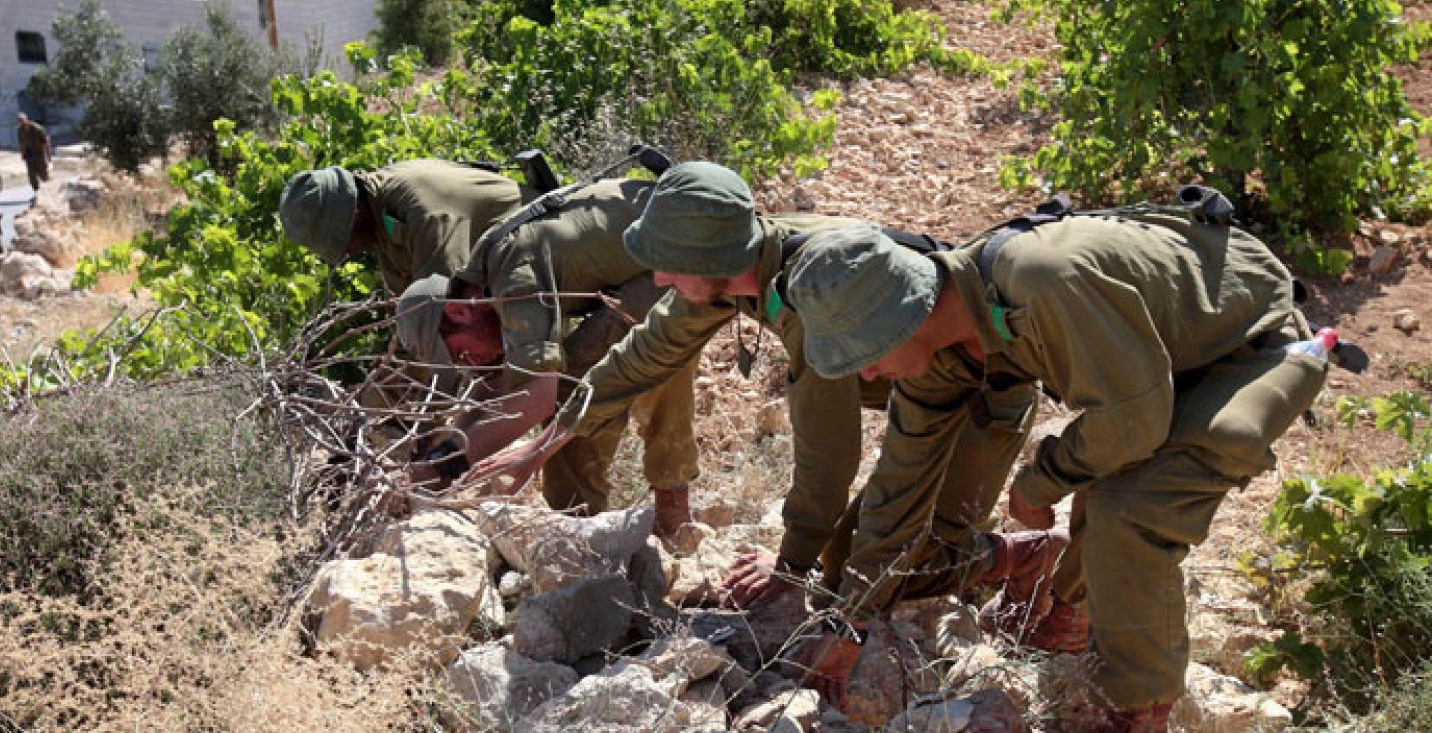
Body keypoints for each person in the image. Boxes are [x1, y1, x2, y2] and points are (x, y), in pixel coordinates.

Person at [786, 209, 1326, 733]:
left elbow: (1133, 422)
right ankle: (1071, 623)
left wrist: (1041, 481)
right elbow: (899, 486)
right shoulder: (941, 347)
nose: (865, 372)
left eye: (865, 352)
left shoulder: (1037, 284)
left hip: (1245, 349)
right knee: (1109, 468)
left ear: (904, 317)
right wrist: (851, 616)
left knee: (1129, 509)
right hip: (1156, 369)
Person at [476, 160, 1046, 614]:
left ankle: (1028, 558)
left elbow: (830, 452)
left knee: (879, 571)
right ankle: (964, 553)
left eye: (670, 265)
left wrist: (791, 565)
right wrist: (557, 431)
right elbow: (645, 353)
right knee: (857, 562)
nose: (659, 280)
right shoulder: (735, 268)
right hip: (908, 390)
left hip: (979, 395)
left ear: (709, 257)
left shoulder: (810, 295)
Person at [393, 170, 701, 536]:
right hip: (659, 256)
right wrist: (442, 448)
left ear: (459, 312)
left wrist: (443, 471)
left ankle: (589, 527)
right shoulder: (485, 284)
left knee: (577, 384)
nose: (468, 366)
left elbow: (536, 399)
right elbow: (498, 382)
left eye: (460, 355)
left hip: (688, 253)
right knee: (586, 372)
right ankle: (589, 523)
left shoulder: (512, 274)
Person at [278, 160, 533, 295]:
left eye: (341, 243)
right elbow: (408, 315)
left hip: (548, 259)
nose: (346, 254)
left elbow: (447, 310)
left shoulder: (421, 214)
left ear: (354, 216)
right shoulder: (379, 213)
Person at [16, 113, 52, 194]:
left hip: (39, 153)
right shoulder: (19, 130)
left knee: (43, 172)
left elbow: (46, 141)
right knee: (31, 174)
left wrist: (48, 155)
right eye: (19, 121)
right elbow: (21, 143)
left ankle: (48, 190)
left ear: (26, 119)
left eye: (22, 120)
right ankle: (36, 191)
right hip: (28, 154)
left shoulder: (37, 128)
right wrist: (22, 153)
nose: (21, 122)